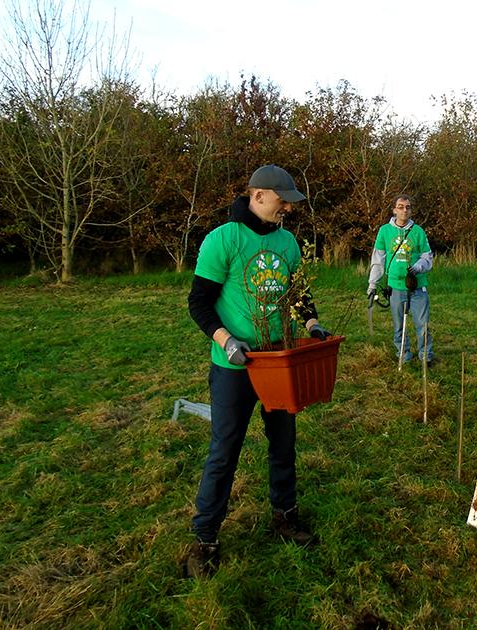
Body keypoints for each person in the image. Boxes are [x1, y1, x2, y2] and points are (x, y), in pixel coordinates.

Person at [184, 164, 332, 578]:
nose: (287, 207)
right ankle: (206, 536)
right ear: (258, 195)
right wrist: (227, 341)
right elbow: (199, 303)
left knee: (283, 442)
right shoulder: (223, 239)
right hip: (234, 366)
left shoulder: (288, 243)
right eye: (282, 199)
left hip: (278, 359)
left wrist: (312, 324)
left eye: (289, 201)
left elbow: (299, 295)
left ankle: (285, 516)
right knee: (224, 450)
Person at [366, 194, 435, 366]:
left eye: (408, 207)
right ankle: (403, 353)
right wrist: (373, 284)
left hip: (417, 285)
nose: (405, 210)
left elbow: (428, 257)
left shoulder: (418, 232)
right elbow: (378, 259)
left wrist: (419, 267)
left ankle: (425, 355)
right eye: (401, 206)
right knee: (399, 324)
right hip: (395, 286)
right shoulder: (385, 231)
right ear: (394, 210)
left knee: (422, 323)